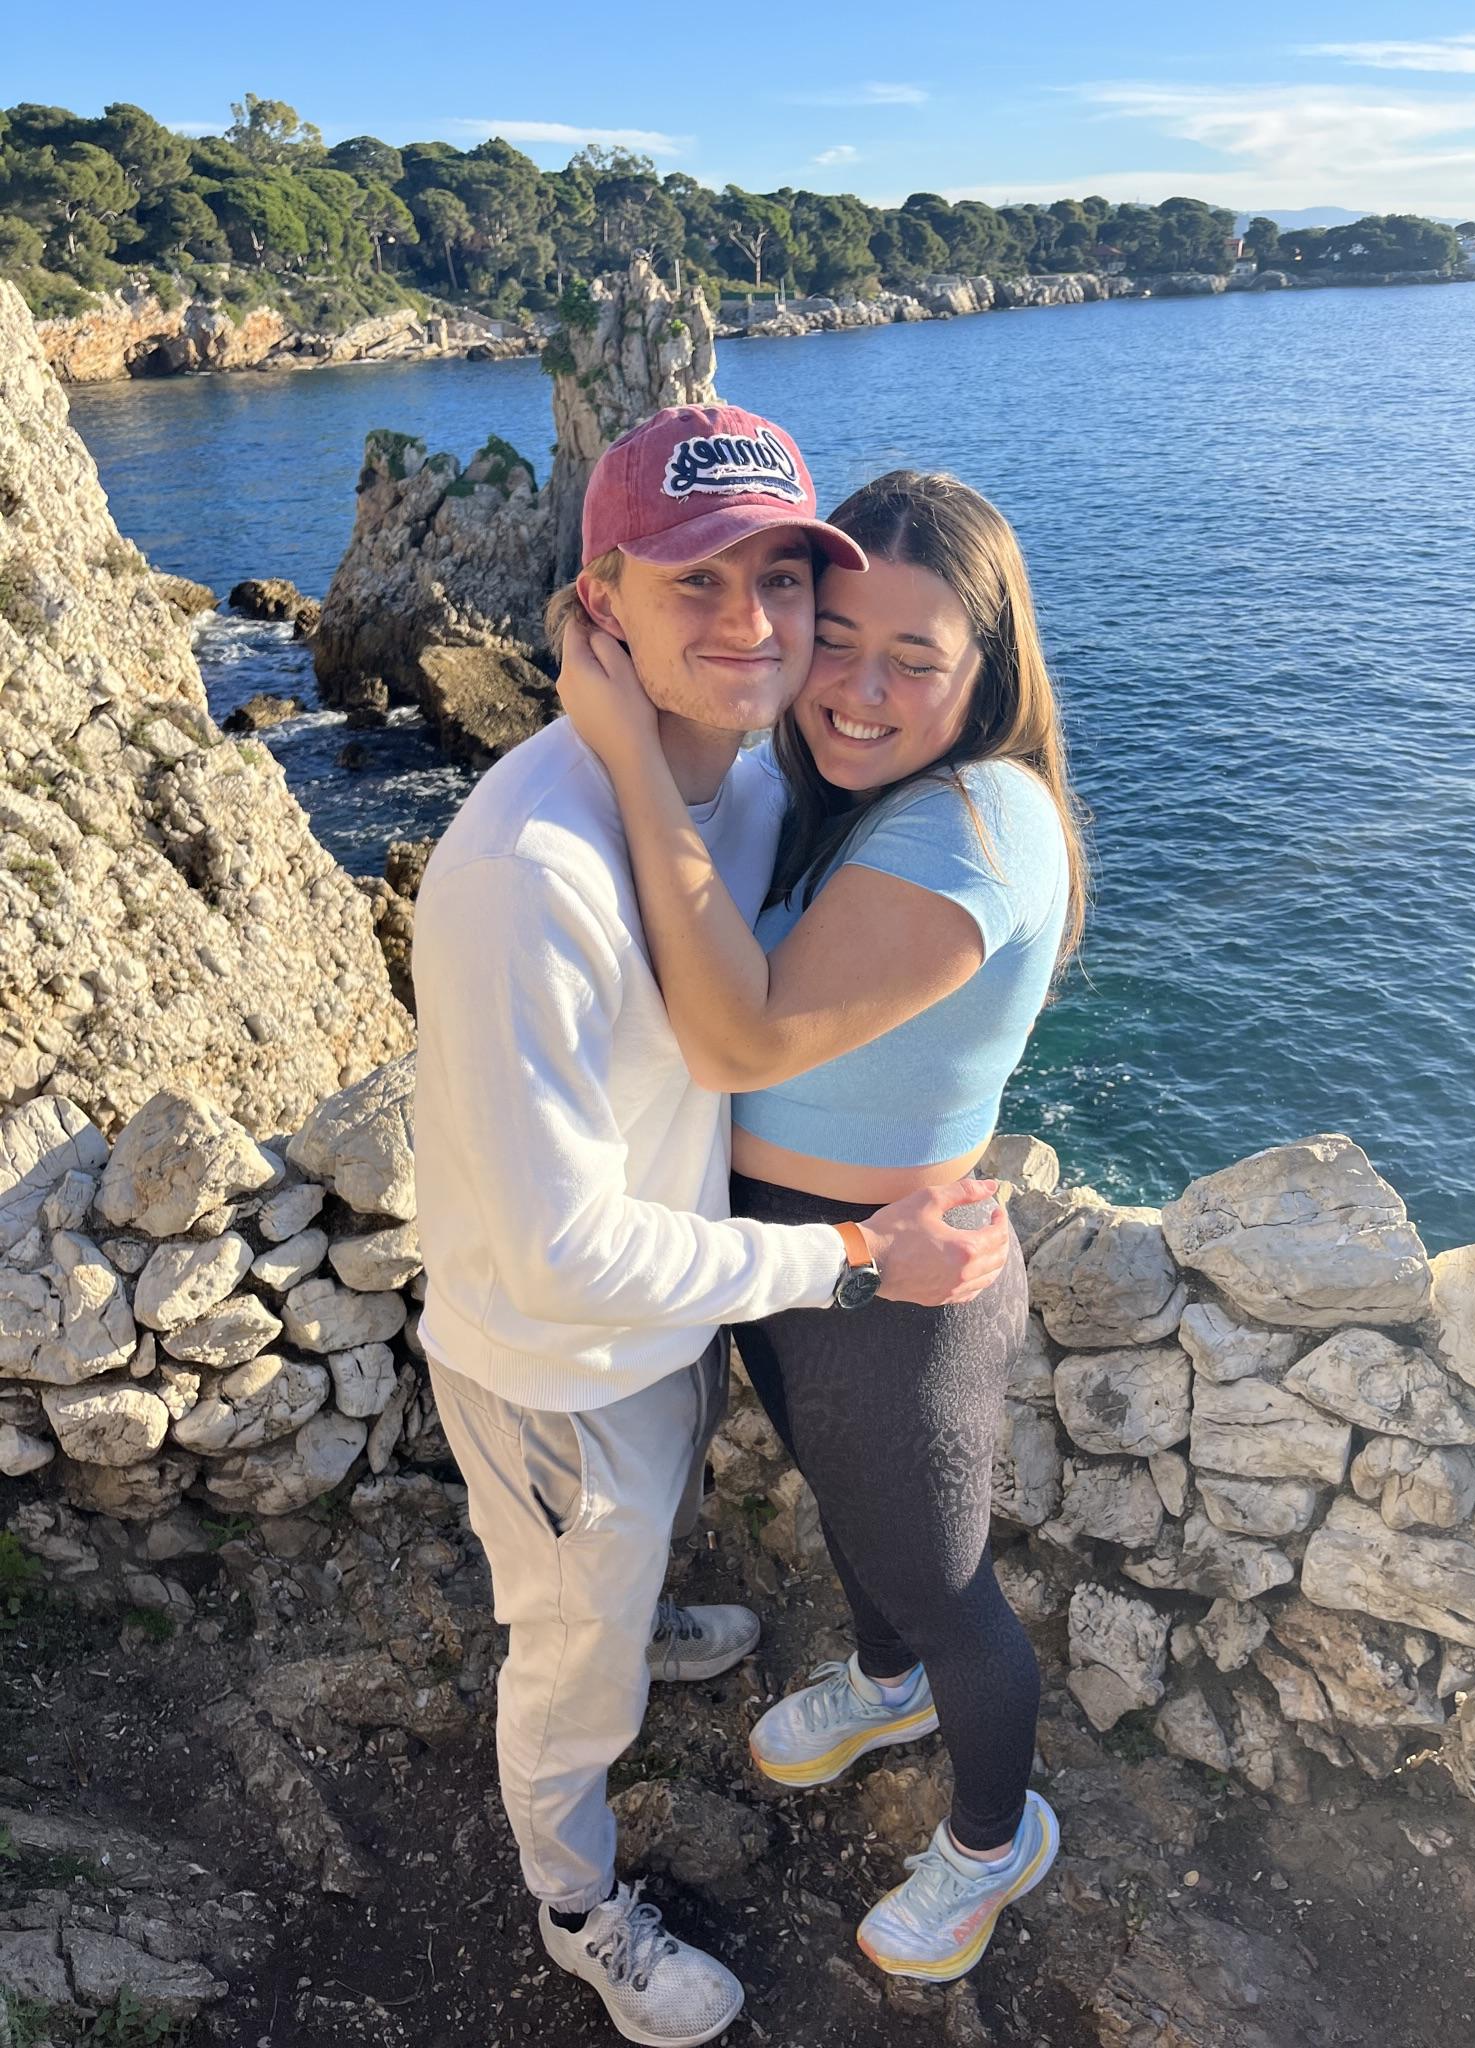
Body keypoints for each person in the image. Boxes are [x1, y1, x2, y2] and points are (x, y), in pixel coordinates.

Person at [411, 406, 1013, 2048]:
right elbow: (562, 1254)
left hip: (668, 1332)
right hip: (559, 1357)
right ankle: (575, 1899)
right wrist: (850, 1257)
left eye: (780, 577)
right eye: (695, 585)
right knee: (568, 1667)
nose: (753, 624)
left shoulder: (739, 789)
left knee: (636, 1548)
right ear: (601, 604)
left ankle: (638, 1611)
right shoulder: (527, 870)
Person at [555, 465, 1089, 1984]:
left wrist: (626, 755)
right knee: (854, 1515)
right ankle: (882, 1682)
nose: (852, 689)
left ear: (986, 674)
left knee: (944, 1583)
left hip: (899, 1290)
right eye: (831, 636)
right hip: (793, 1257)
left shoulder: (977, 823)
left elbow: (741, 1043)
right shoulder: (839, 797)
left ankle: (994, 1839)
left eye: (911, 661)